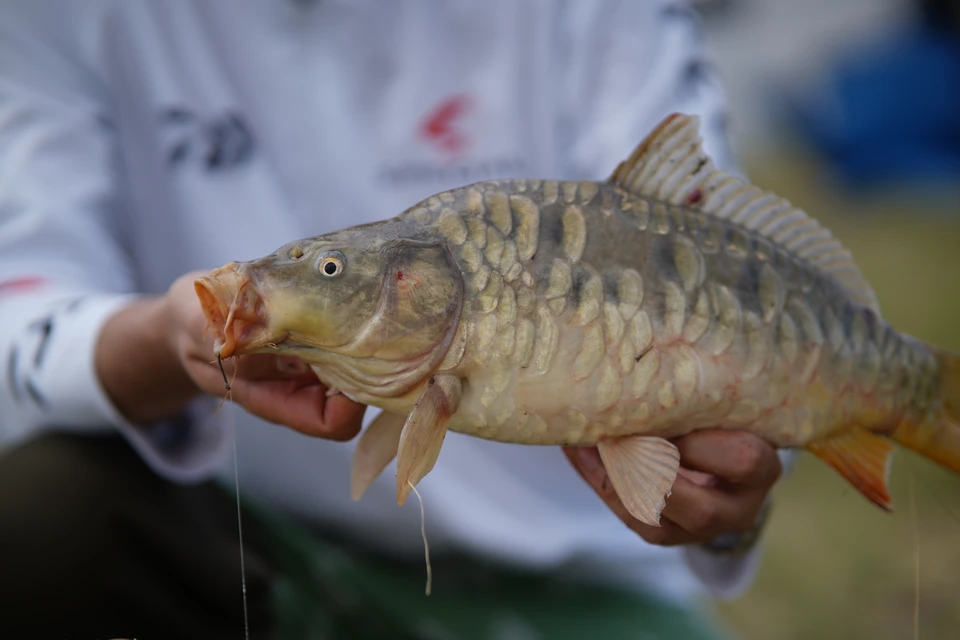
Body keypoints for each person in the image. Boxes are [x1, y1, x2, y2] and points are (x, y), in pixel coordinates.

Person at [0, 1, 789, 638]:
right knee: (40, 508)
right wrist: (163, 344)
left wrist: (728, 502)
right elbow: (19, 324)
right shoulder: (53, 19)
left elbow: (743, 299)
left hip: (580, 576)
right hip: (259, 549)